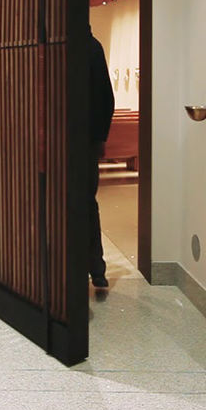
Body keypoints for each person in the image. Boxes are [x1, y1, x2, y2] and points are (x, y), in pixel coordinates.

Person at [88, 27, 115, 290]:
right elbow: (107, 99)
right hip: (88, 143)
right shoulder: (93, 48)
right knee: (88, 205)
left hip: (63, 143)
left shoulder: (60, 47)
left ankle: (65, 268)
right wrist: (100, 138)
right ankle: (96, 269)